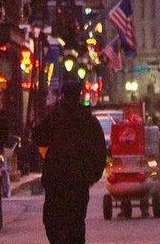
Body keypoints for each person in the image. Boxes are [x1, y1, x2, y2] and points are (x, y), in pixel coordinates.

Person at [30, 79, 107, 244]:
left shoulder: (56, 118)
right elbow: (100, 152)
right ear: (79, 95)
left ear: (63, 97)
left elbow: (37, 136)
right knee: (76, 223)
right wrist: (91, 177)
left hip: (57, 182)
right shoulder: (89, 121)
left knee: (53, 222)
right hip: (78, 182)